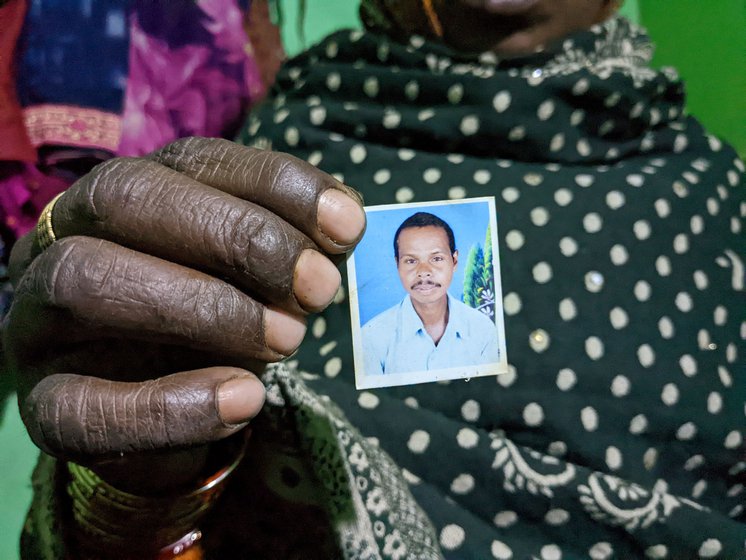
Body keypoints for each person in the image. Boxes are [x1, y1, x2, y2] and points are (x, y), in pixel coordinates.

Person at [4, 0, 745, 558]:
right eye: (408, 261)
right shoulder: (250, 171)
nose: (423, 275)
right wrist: (129, 491)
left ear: (458, 267)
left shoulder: (723, 208)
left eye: (437, 262)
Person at [362, 211, 499, 375]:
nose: (424, 272)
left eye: (436, 258)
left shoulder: (483, 329)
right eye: (411, 261)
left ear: (454, 261)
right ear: (397, 264)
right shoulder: (371, 337)